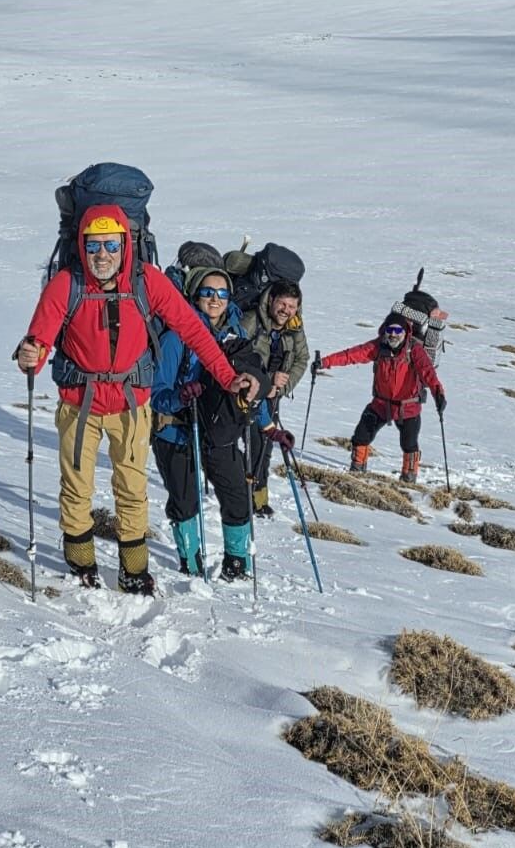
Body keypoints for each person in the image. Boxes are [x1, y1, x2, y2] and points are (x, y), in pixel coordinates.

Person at [15, 206, 259, 595]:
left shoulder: (147, 282)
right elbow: (39, 338)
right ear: (82, 245)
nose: (102, 255)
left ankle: (134, 570)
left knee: (132, 489)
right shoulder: (66, 283)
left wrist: (228, 378)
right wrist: (31, 354)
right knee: (77, 487)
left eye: (111, 245)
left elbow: (194, 332)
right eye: (94, 245)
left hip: (131, 404)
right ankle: (81, 564)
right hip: (79, 402)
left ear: (125, 245)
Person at [152, 267, 272, 582]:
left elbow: (250, 386)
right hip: (177, 430)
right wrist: (180, 397)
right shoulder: (176, 336)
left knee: (237, 495)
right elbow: (156, 394)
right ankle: (191, 564)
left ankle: (237, 563)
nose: (215, 299)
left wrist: (268, 424)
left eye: (222, 293)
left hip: (220, 432)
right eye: (207, 292)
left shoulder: (237, 335)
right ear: (195, 295)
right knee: (184, 501)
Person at [316, 311, 446, 482]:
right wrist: (324, 362)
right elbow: (351, 355)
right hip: (381, 405)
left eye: (398, 330)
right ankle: (357, 472)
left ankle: (408, 480)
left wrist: (438, 393)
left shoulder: (414, 350)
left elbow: (427, 372)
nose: (393, 334)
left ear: (405, 332)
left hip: (408, 407)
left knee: (409, 444)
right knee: (361, 435)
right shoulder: (378, 347)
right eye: (390, 330)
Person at [240, 279, 309, 517]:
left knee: (265, 447)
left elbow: (302, 358)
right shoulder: (251, 321)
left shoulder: (295, 327)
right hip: (245, 395)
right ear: (271, 300)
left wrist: (281, 387)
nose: (286, 310)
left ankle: (259, 499)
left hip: (272, 398)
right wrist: (268, 381)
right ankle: (243, 496)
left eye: (292, 306)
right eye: (282, 304)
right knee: (252, 445)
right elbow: (236, 355)